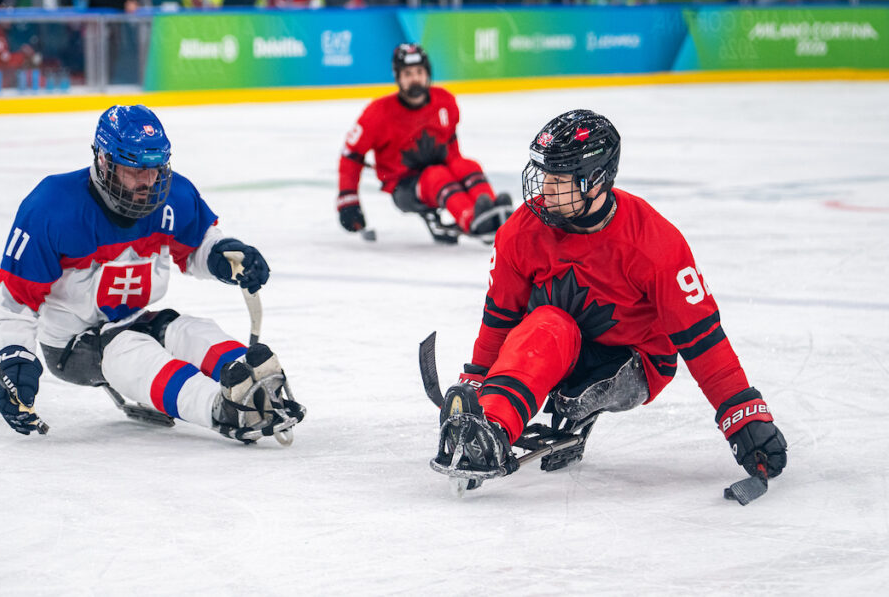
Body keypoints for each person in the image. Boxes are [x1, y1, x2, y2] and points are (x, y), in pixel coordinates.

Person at [430, 109, 788, 488]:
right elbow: (500, 316)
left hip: (634, 358)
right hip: (557, 338)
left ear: (595, 181)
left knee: (567, 368)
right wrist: (477, 390)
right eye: (544, 175)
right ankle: (491, 434)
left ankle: (553, 403)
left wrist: (743, 415)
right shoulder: (521, 231)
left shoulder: (655, 244)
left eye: (558, 179)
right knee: (546, 324)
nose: (543, 189)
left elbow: (701, 339)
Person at [0, 105, 305, 443]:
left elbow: (199, 244)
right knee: (131, 349)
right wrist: (16, 358)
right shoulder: (52, 207)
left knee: (192, 330)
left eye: (156, 168)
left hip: (137, 318)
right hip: (72, 344)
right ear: (104, 162)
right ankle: (219, 407)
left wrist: (225, 255)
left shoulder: (173, 196)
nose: (149, 181)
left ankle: (255, 384)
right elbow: (16, 300)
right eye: (135, 170)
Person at [337, 43, 513, 240]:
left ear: (427, 72)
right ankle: (472, 220)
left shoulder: (445, 101)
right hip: (403, 187)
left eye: (419, 72)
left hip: (441, 172)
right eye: (408, 74)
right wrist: (348, 199)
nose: (415, 79)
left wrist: (458, 168)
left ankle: (492, 212)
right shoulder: (377, 113)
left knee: (468, 165)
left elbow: (451, 147)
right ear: (398, 77)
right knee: (436, 175)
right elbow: (351, 155)